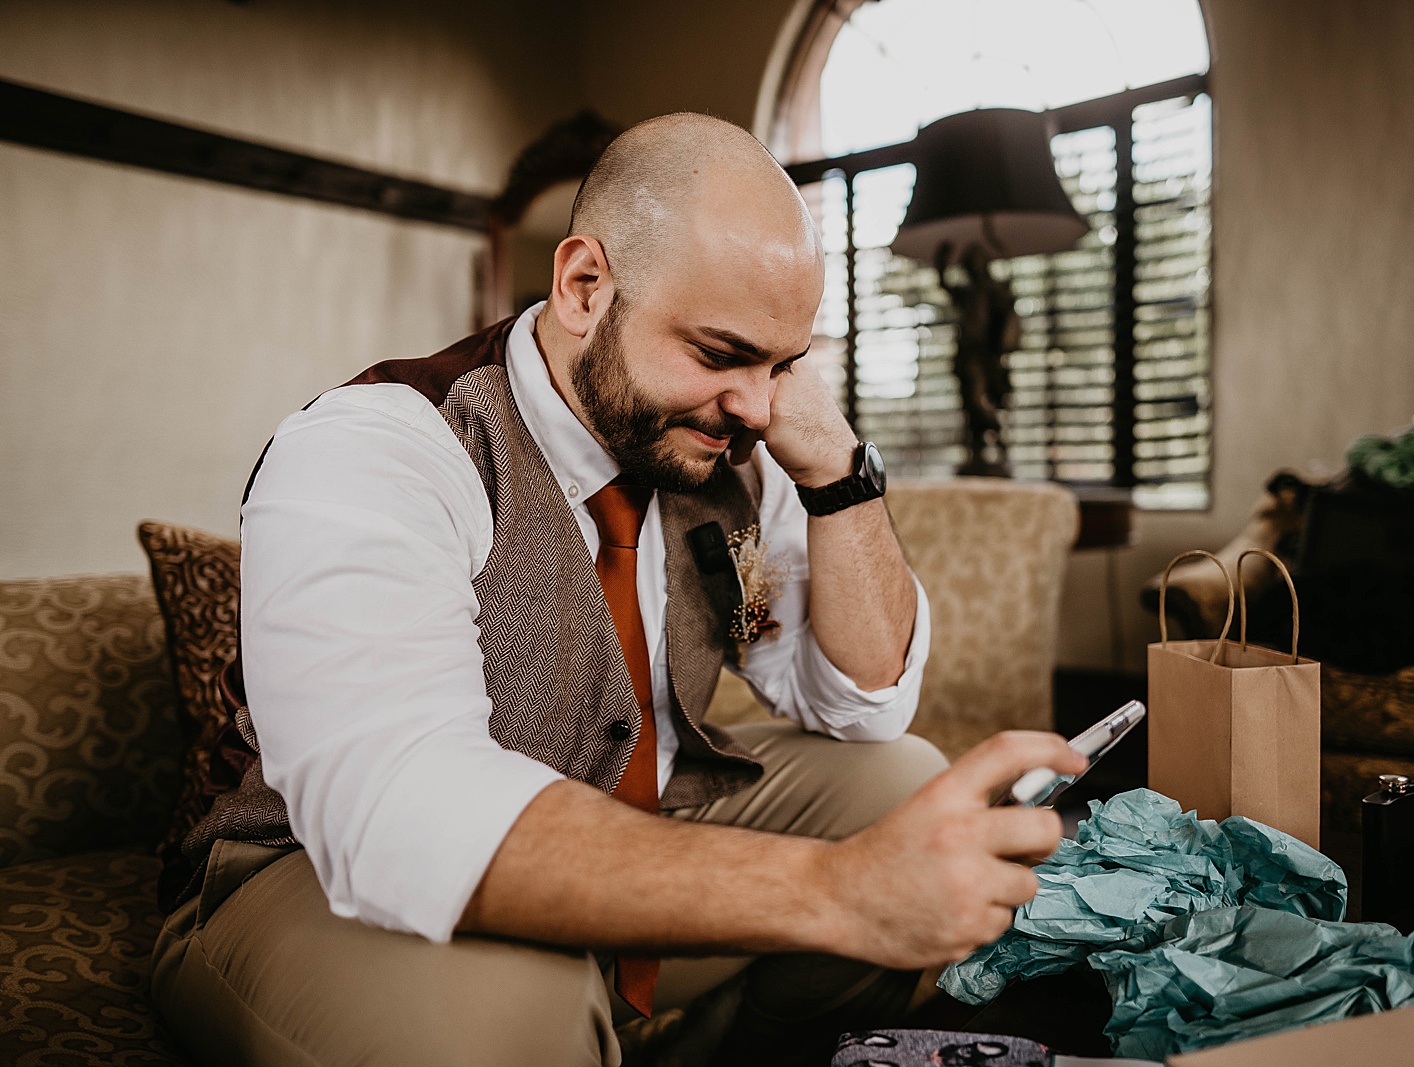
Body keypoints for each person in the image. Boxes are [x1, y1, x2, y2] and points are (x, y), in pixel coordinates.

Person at [150, 113, 1086, 1067]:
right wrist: (840, 887)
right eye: (721, 354)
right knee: (516, 1006)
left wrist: (840, 475)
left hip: (634, 810)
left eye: (784, 364)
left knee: (902, 783)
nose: (759, 406)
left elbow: (858, 704)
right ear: (585, 285)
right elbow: (402, 812)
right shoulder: (382, 448)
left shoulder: (732, 468)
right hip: (307, 873)